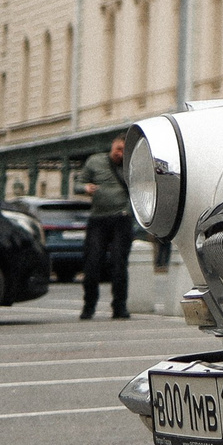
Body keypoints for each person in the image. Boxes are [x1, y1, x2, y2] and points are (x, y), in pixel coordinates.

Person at [80, 135, 133, 321]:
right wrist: (85, 188)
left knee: (119, 264)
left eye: (124, 151)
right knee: (92, 263)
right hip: (98, 219)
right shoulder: (95, 161)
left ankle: (120, 307)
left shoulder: (131, 165)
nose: (120, 154)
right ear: (112, 146)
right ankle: (88, 307)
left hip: (121, 219)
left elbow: (141, 189)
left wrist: (128, 211)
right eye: (118, 149)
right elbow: (78, 184)